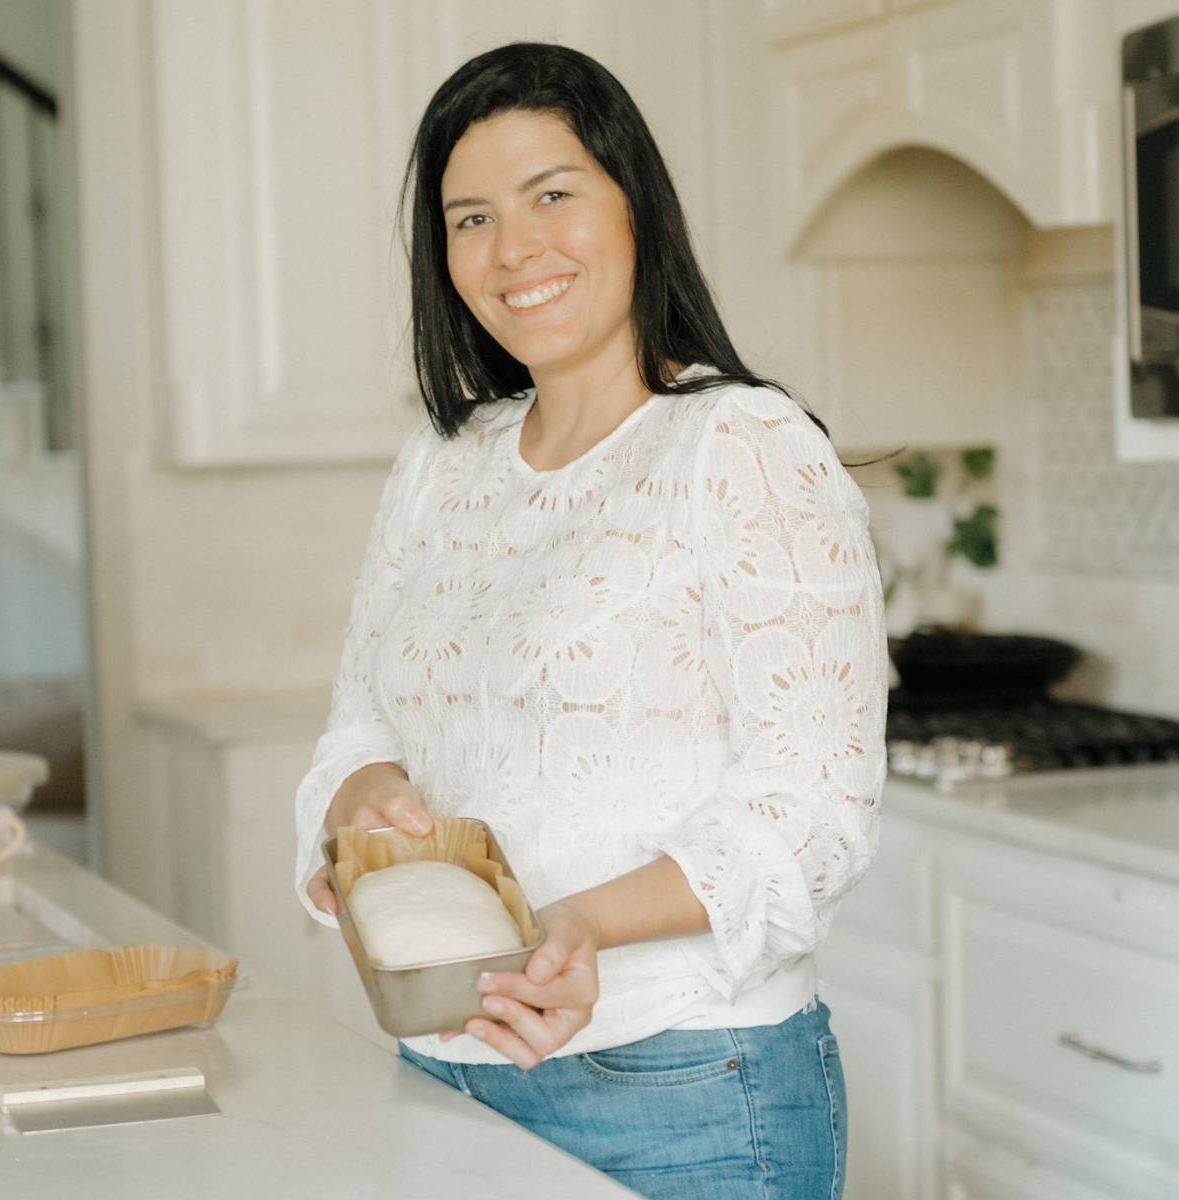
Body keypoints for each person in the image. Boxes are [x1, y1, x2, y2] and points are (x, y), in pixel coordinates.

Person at [293, 40, 888, 1200]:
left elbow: (816, 812)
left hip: (687, 1093)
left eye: (552, 196)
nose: (514, 250)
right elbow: (359, 717)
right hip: (445, 1071)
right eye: (470, 219)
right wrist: (358, 794)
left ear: (634, 207)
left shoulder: (742, 449)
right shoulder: (442, 465)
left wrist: (583, 928)